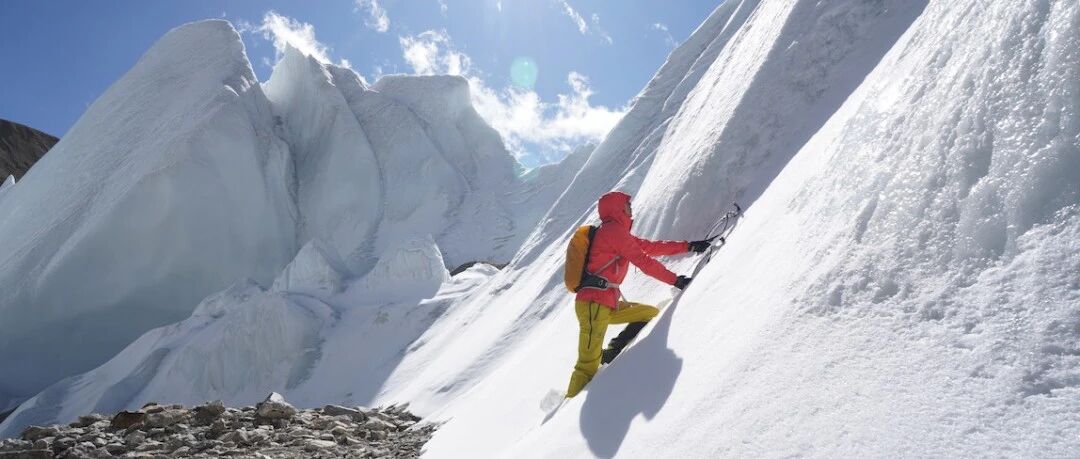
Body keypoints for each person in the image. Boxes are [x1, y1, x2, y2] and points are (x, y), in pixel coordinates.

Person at [566, 191, 711, 398]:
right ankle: (568, 406)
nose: (631, 209)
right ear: (617, 209)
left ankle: (610, 354)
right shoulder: (612, 232)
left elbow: (650, 247)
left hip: (606, 303)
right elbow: (644, 262)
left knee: (648, 314)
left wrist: (689, 246)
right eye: (627, 206)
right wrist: (676, 280)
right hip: (594, 304)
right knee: (586, 366)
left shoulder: (615, 233)